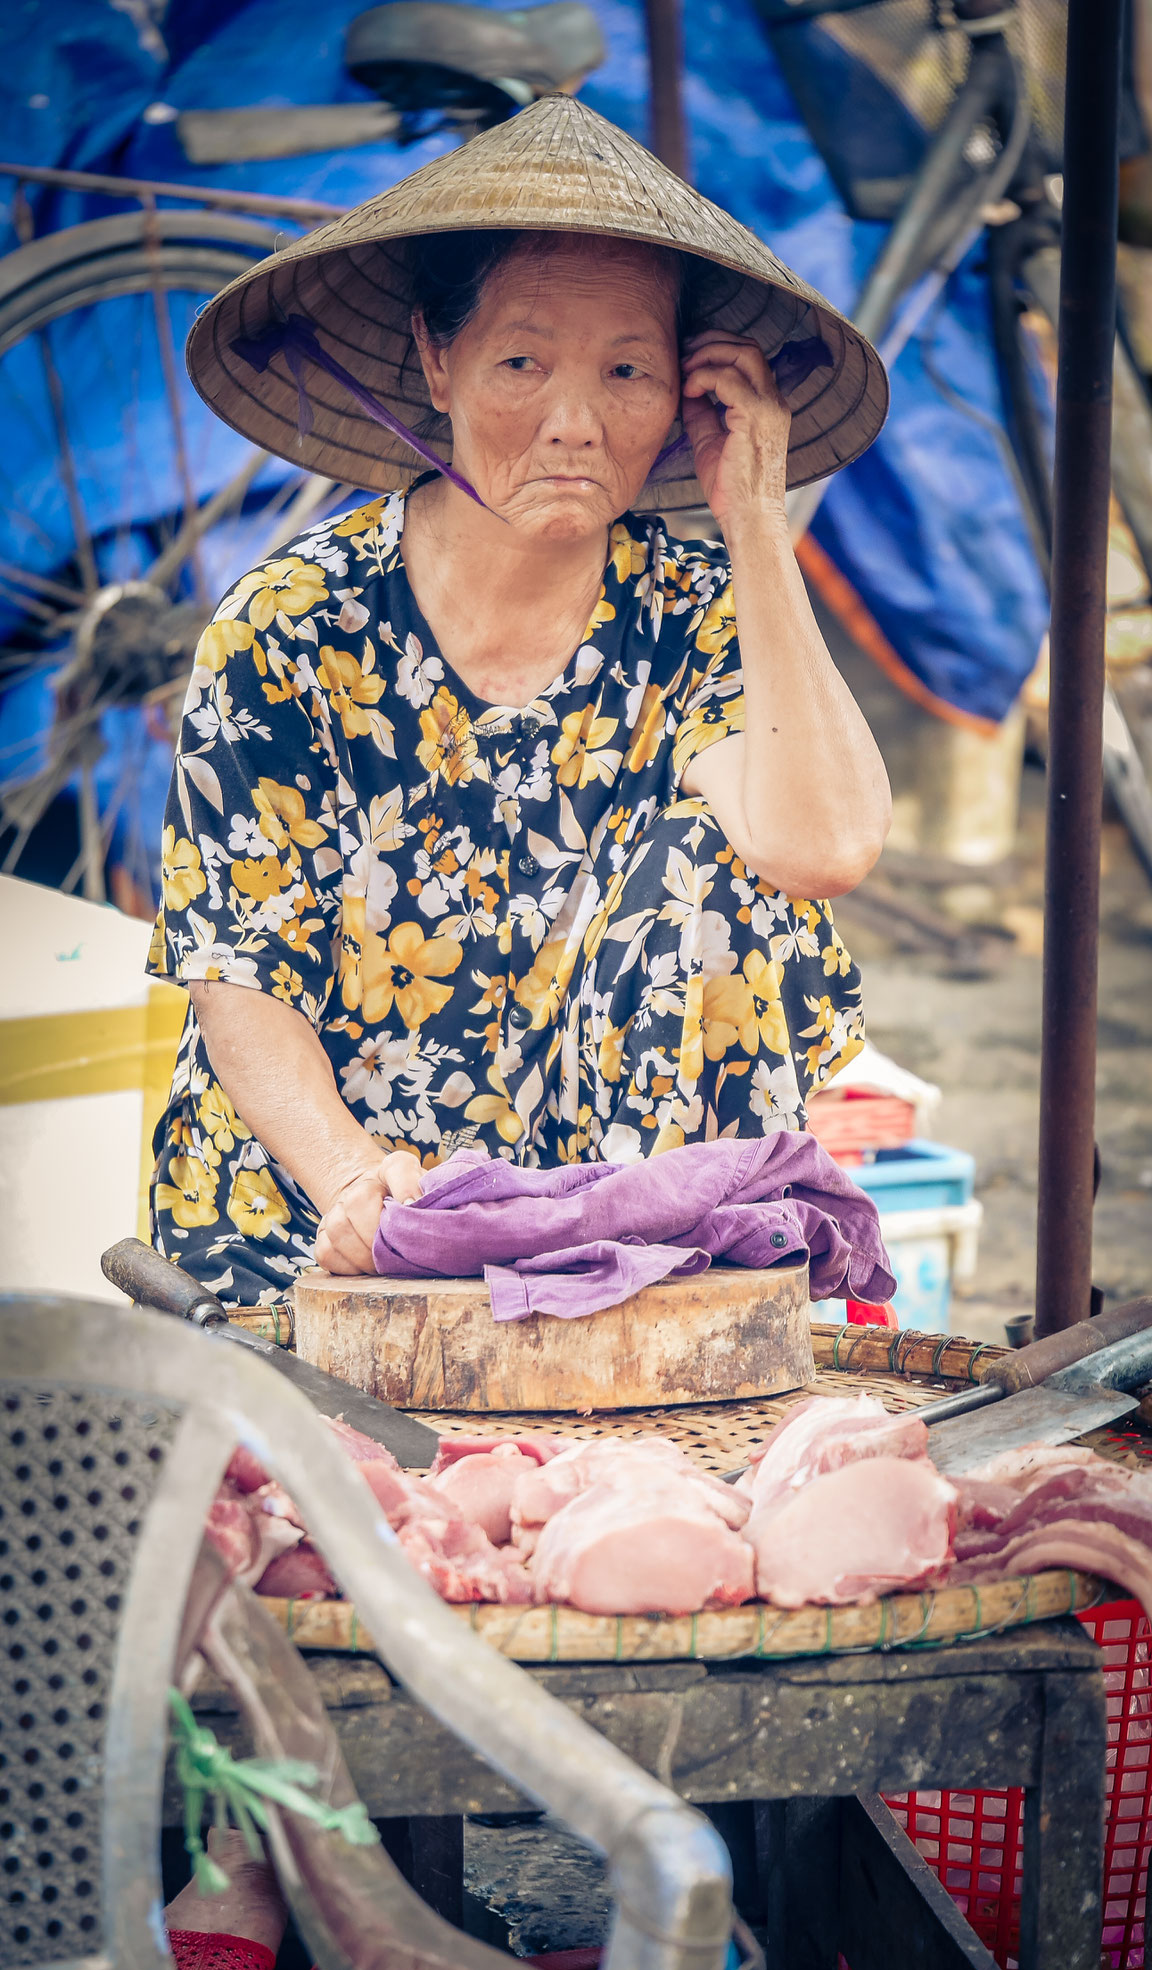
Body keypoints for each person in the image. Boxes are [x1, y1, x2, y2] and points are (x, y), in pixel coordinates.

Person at [148, 93, 892, 1305]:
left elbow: (826, 845)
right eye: (520, 362)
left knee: (713, 863)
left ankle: (659, 1274)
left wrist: (755, 515)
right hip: (317, 1221)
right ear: (438, 361)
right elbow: (240, 971)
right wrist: (356, 1188)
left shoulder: (693, 610)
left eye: (627, 372)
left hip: (595, 1240)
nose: (575, 423)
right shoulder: (290, 621)